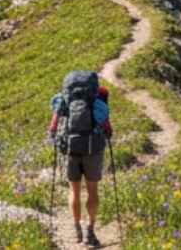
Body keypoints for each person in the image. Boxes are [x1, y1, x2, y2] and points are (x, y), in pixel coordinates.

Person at [49, 80, 112, 246]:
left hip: (71, 149)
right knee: (92, 191)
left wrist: (56, 137)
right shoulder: (98, 99)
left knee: (74, 191)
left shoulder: (64, 99)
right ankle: (90, 231)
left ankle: (77, 229)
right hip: (93, 150)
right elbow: (107, 127)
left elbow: (53, 127)